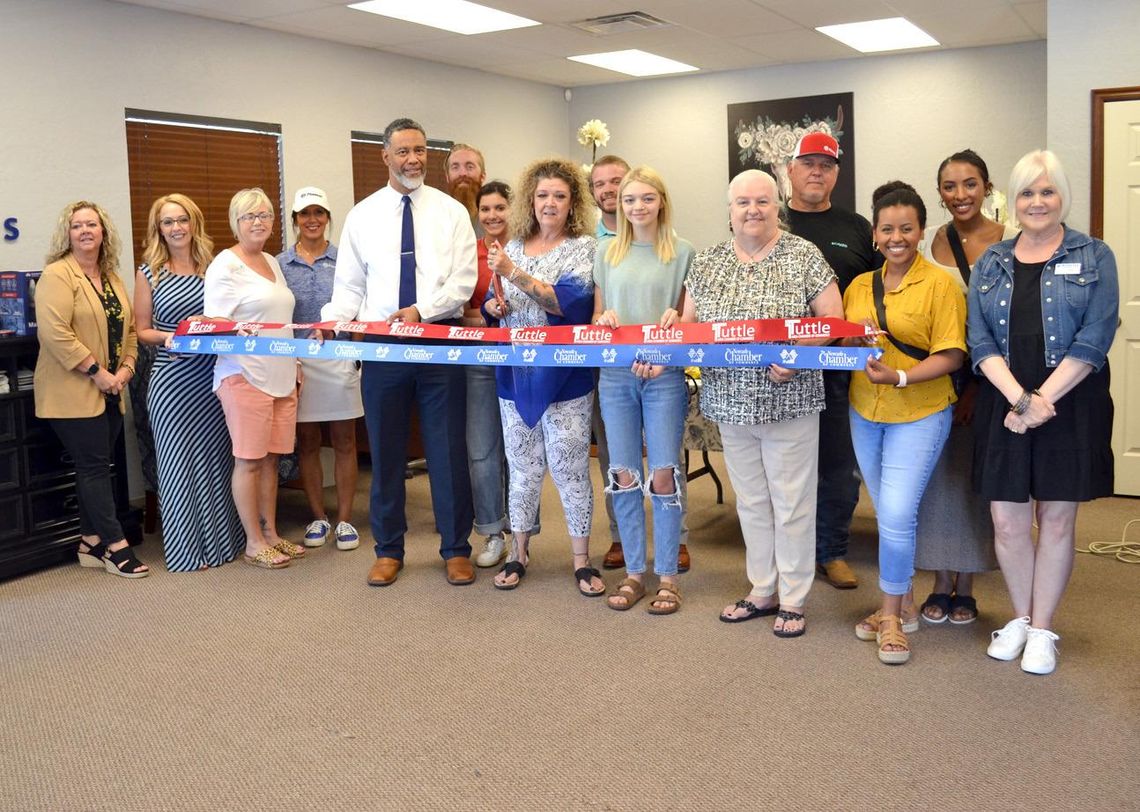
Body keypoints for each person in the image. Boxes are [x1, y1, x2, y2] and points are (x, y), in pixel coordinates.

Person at [970, 150, 1118, 676]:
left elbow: (1095, 336)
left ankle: (1042, 629)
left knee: (1055, 518)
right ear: (1013, 201)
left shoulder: (1095, 255)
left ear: (1062, 198)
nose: (1037, 202)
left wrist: (1038, 403)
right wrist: (1018, 399)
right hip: (1004, 401)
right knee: (1007, 522)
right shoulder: (991, 261)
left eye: (1047, 191)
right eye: (1027, 193)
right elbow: (979, 339)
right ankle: (1022, 617)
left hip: (1072, 404)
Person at [683, 170, 842, 637]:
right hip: (729, 403)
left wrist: (801, 354)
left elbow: (832, 320)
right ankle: (761, 589)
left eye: (763, 201)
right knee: (751, 502)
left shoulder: (802, 255)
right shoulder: (708, 262)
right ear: (729, 211)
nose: (752, 210)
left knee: (791, 502)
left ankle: (793, 598)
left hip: (789, 400)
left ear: (778, 207)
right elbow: (689, 328)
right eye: (742, 202)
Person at [321, 118, 477, 588]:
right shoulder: (363, 215)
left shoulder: (450, 212)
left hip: (439, 340)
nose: (413, 159)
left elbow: (463, 282)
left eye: (420, 151)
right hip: (384, 347)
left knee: (447, 450)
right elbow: (349, 285)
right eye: (404, 151)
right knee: (386, 451)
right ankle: (388, 549)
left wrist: (421, 310)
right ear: (385, 156)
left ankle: (456, 549)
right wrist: (332, 322)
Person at [845, 182, 966, 665]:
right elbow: (844, 345)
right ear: (875, 234)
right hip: (864, 411)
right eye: (887, 228)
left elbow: (953, 354)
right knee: (887, 512)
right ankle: (907, 603)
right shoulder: (858, 287)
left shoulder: (939, 285)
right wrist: (852, 349)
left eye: (907, 228)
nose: (896, 237)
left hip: (921, 411)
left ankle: (891, 616)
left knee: (896, 514)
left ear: (920, 232)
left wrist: (899, 375)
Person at [483, 157, 604, 596]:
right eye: (542, 196)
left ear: (572, 203)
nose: (549, 203)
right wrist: (492, 307)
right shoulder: (512, 246)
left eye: (559, 195)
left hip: (565, 378)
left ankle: (581, 561)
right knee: (521, 467)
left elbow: (566, 305)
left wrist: (512, 274)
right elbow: (495, 301)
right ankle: (519, 553)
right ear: (529, 202)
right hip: (515, 375)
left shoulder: (583, 248)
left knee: (571, 467)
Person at [914, 150, 1016, 623]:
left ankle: (968, 585)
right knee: (935, 481)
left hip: (994, 383)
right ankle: (938, 581)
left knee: (975, 482)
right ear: (939, 193)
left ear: (987, 186)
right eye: (950, 187)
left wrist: (978, 388)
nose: (960, 195)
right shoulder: (931, 242)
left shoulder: (1011, 240)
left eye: (970, 184)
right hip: (939, 380)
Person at [594, 166, 694, 614]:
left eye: (646, 198)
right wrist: (604, 320)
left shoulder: (684, 252)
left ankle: (668, 575)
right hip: (616, 376)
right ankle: (635, 572)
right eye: (629, 199)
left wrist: (678, 323)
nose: (637, 206)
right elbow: (599, 315)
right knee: (624, 475)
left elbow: (689, 321)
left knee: (665, 474)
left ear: (661, 202)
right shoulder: (605, 253)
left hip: (664, 374)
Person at [784, 132, 880, 590]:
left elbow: (874, 289)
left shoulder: (857, 227)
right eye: (808, 163)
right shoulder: (769, 221)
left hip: (839, 365)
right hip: (780, 369)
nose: (817, 171)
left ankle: (832, 551)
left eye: (826, 164)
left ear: (837, 174)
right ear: (790, 169)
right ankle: (789, 553)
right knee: (786, 467)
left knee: (839, 465)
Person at [34, 201, 146, 578]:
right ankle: (115, 547)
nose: (85, 231)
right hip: (73, 391)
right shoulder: (57, 275)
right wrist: (97, 371)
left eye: (91, 225)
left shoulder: (112, 276)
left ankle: (88, 541)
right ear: (67, 234)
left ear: (103, 232)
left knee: (97, 466)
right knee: (95, 467)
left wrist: (126, 368)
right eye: (77, 225)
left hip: (113, 389)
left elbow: (130, 331)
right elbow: (55, 334)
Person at [134, 193, 243, 571]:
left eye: (182, 220)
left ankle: (223, 544)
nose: (176, 227)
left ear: (193, 222)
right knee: (177, 466)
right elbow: (141, 330)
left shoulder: (215, 267)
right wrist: (167, 337)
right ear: (158, 229)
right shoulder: (149, 271)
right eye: (168, 222)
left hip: (211, 378)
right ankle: (186, 552)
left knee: (216, 461)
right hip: (171, 380)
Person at [204, 188, 304, 570]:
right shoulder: (224, 266)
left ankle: (273, 534)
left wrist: (295, 361)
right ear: (236, 222)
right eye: (250, 216)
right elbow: (215, 324)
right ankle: (253, 541)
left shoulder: (271, 262)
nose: (258, 222)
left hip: (282, 374)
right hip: (244, 374)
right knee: (249, 460)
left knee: (272, 460)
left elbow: (282, 321)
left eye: (264, 215)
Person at [278, 186, 362, 552]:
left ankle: (345, 519)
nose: (312, 220)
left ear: (328, 218)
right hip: (299, 359)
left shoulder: (345, 259)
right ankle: (318, 516)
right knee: (308, 442)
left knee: (345, 440)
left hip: (339, 354)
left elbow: (359, 305)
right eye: (305, 214)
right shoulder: (279, 264)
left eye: (319, 213)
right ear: (295, 220)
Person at [461, 180, 513, 567]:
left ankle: (522, 530)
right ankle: (492, 532)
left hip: (523, 360)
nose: (492, 216)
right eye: (486, 210)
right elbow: (457, 312)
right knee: (482, 450)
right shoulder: (467, 254)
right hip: (480, 356)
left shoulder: (530, 248)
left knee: (523, 451)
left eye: (500, 208)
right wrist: (486, 313)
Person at [446, 143, 486, 222]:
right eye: (455, 167)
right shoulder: (435, 216)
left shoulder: (494, 221)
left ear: (482, 176)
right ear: (447, 177)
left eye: (469, 167)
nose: (462, 173)